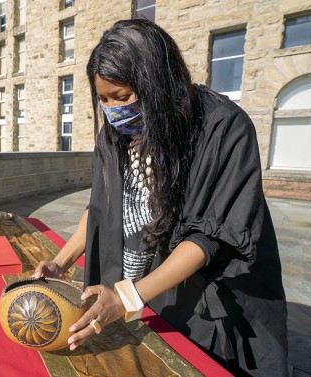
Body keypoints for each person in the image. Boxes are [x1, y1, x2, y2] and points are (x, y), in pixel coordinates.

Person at [34, 18, 288, 376]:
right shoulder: (114, 135)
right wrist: (60, 262)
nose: (112, 110)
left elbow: (209, 237)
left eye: (122, 97)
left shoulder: (223, 128)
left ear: (159, 83)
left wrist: (128, 298)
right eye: (103, 99)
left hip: (194, 292)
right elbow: (100, 208)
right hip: (132, 284)